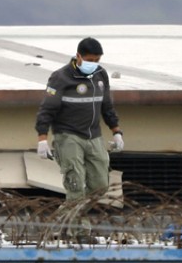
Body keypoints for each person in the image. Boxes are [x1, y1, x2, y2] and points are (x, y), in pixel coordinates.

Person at [35, 37, 124, 202]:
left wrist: (116, 131)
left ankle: (62, 222)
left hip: (93, 135)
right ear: (78, 56)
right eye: (90, 60)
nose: (94, 63)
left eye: (97, 60)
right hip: (68, 136)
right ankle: (78, 228)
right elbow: (47, 110)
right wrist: (42, 139)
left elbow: (107, 106)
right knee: (76, 186)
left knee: (100, 186)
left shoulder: (100, 75)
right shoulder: (60, 77)